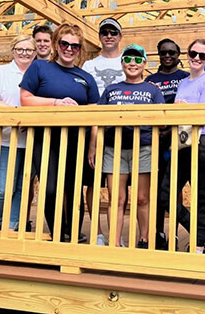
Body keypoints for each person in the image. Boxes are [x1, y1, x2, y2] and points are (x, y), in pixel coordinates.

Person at [20, 23, 99, 242]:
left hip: (77, 140)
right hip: (45, 140)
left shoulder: (86, 77)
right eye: (65, 43)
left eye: (75, 46)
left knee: (74, 189)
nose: (69, 49)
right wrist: (56, 102)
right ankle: (57, 235)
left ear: (79, 49)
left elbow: (94, 115)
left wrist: (92, 146)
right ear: (56, 44)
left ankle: (72, 234)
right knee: (51, 188)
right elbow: (25, 99)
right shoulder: (40, 68)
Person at [96, 44, 165, 248]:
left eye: (137, 59)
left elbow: (162, 119)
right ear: (122, 63)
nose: (132, 63)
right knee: (116, 198)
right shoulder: (111, 89)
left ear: (144, 63)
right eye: (127, 59)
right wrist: (95, 145)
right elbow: (98, 117)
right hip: (113, 148)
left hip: (143, 147)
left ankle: (143, 238)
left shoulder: (152, 90)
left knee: (142, 197)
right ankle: (115, 242)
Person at [159, 39, 205, 253]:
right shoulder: (184, 82)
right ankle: (200, 233)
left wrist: (185, 109)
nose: (197, 58)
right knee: (165, 194)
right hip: (182, 140)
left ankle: (200, 245)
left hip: (201, 142)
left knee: (201, 195)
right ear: (188, 54)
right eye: (194, 53)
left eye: (202, 56)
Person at [0, 35, 37, 230]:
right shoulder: (2, 71)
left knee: (22, 188)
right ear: (13, 51)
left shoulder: (38, 72)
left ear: (35, 53)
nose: (24, 53)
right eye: (20, 49)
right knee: (3, 189)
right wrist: (17, 115)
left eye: (29, 50)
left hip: (31, 140)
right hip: (7, 139)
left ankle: (11, 227)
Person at [82, 18, 127, 246]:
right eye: (104, 32)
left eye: (113, 32)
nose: (109, 36)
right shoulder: (89, 65)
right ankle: (97, 232)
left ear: (120, 36)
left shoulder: (127, 60)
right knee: (92, 182)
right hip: (94, 128)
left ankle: (115, 236)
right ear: (100, 36)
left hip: (121, 131)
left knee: (116, 186)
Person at [145, 38, 190, 249]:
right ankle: (158, 233)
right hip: (156, 141)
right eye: (163, 53)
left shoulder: (186, 77)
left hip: (180, 141)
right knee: (157, 188)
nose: (168, 56)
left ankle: (174, 233)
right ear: (158, 55)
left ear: (179, 54)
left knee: (175, 188)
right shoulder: (150, 80)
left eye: (172, 52)